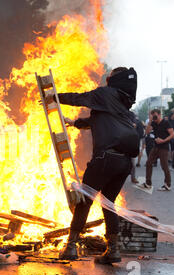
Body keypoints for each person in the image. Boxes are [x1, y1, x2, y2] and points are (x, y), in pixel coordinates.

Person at [46, 67, 140, 264]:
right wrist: (75, 123)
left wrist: (54, 97)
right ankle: (113, 250)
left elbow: (80, 98)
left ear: (114, 80)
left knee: (84, 201)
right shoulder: (123, 103)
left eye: (110, 77)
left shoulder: (106, 93)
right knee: (109, 203)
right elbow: (97, 120)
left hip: (105, 159)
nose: (106, 79)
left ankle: (71, 247)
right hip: (124, 163)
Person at [140, 109, 174, 191]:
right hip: (156, 147)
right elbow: (147, 132)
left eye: (155, 116)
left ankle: (167, 185)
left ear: (159, 115)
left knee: (164, 166)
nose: (155, 118)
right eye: (153, 116)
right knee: (148, 163)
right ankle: (148, 183)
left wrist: (163, 140)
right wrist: (150, 121)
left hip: (164, 147)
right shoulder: (153, 123)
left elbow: (172, 134)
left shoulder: (166, 123)